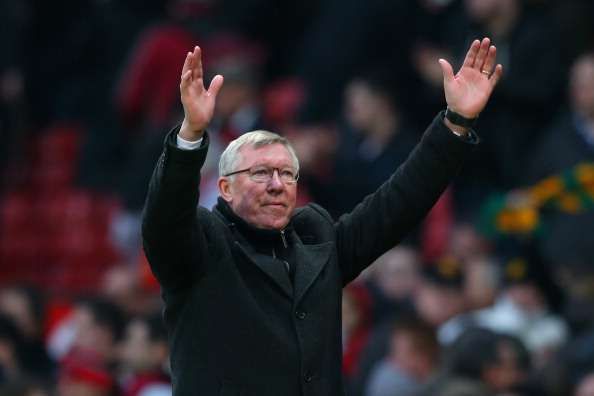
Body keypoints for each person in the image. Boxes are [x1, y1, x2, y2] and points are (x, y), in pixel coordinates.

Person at [142, 38, 502, 395]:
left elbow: (399, 202)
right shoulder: (199, 245)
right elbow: (165, 219)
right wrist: (190, 136)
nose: (276, 185)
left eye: (287, 174)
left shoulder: (318, 242)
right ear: (225, 188)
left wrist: (455, 121)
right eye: (259, 173)